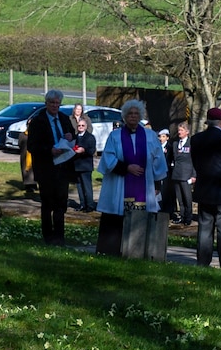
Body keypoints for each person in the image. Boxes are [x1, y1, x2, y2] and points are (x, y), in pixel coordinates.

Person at [97, 99, 161, 257]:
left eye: (136, 114)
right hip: (120, 183)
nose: (133, 116)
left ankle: (138, 251)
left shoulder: (150, 136)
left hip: (144, 186)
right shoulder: (115, 136)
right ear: (124, 116)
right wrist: (126, 168)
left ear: (140, 116)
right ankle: (110, 250)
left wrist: (158, 184)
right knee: (115, 216)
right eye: (130, 114)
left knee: (143, 217)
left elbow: (158, 160)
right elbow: (108, 159)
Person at [189, 106, 221, 267]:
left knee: (205, 228)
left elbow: (196, 163)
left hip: (205, 189)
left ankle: (203, 262)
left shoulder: (196, 139)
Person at [24, 89, 78, 245]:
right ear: (46, 103)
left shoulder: (63, 119)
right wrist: (50, 150)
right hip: (46, 168)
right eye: (52, 103)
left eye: (57, 103)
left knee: (61, 203)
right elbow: (32, 146)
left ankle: (59, 237)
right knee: (48, 204)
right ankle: (48, 237)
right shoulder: (38, 121)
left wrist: (70, 136)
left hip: (63, 167)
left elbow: (73, 136)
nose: (55, 106)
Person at [165, 120, 196, 225]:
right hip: (176, 174)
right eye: (179, 130)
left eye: (182, 130)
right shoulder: (175, 144)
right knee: (180, 198)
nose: (179, 132)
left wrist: (194, 175)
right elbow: (171, 158)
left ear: (187, 132)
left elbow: (194, 160)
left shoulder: (191, 143)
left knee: (187, 198)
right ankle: (182, 216)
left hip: (187, 174)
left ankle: (188, 217)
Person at [72, 112, 99, 212]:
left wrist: (84, 150)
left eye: (82, 125)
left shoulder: (90, 137)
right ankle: (82, 204)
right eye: (79, 125)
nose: (80, 127)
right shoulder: (75, 137)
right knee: (79, 187)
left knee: (87, 187)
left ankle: (90, 205)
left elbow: (92, 151)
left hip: (85, 165)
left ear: (86, 126)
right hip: (76, 165)